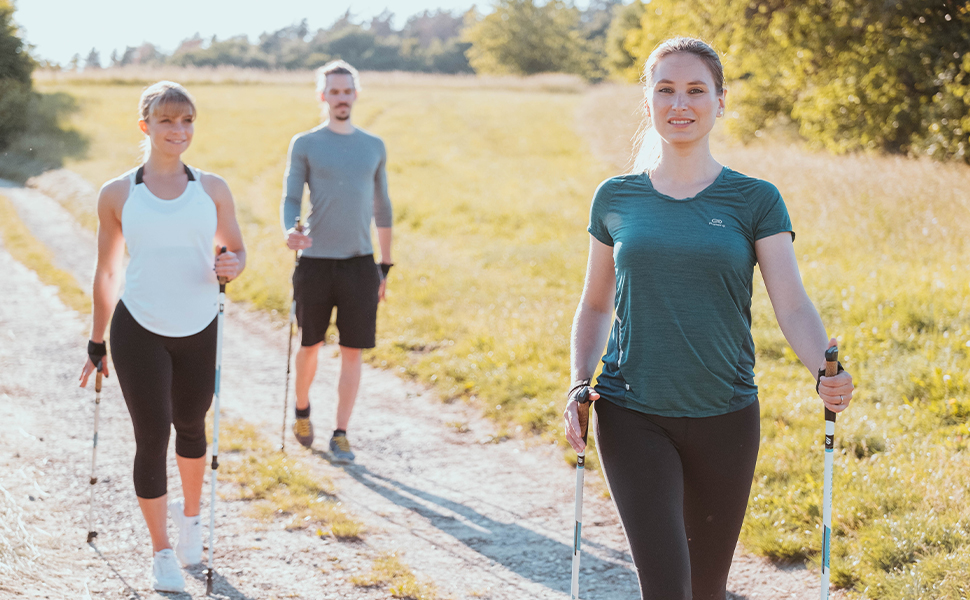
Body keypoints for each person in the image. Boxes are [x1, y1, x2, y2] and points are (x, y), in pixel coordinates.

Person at [563, 37, 855, 600]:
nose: (681, 103)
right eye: (666, 89)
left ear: (721, 101)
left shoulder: (755, 200)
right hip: (631, 410)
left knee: (707, 587)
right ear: (647, 100)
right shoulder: (616, 197)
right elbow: (596, 304)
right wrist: (579, 380)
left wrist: (825, 369)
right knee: (667, 586)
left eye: (697, 90)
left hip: (727, 413)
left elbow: (790, 302)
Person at [78, 81, 246, 593]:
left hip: (200, 326)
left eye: (188, 120)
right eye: (168, 120)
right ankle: (162, 553)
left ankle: (191, 520)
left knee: (192, 426)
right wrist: (96, 339)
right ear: (145, 126)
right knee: (152, 438)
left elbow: (236, 253)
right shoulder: (118, 193)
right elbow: (108, 273)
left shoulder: (212, 189)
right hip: (139, 328)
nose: (179, 130)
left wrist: (233, 264)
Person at [280, 60, 393, 462]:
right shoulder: (306, 143)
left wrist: (385, 266)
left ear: (355, 95)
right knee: (309, 344)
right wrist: (288, 229)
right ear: (322, 96)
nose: (341, 98)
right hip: (314, 263)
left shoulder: (373, 146)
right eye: (334, 91)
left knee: (352, 351)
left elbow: (383, 207)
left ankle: (341, 432)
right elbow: (292, 197)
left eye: (347, 91)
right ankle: (302, 408)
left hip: (360, 264)